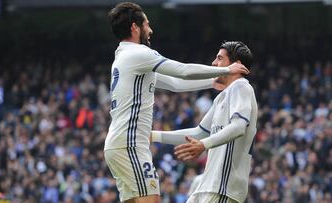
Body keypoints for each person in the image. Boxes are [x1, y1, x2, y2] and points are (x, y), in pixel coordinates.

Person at [104, 2, 249, 202]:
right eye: (147, 24)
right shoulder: (139, 53)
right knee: (151, 199)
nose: (150, 29)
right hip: (130, 143)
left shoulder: (124, 57)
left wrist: (212, 81)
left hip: (121, 143)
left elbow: (175, 84)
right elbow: (183, 70)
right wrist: (226, 70)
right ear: (135, 27)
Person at [151, 41, 257, 203]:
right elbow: (198, 133)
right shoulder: (222, 97)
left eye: (220, 59)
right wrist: (153, 135)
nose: (214, 64)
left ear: (236, 65)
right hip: (207, 186)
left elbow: (238, 127)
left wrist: (203, 145)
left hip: (224, 187)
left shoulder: (241, 87)